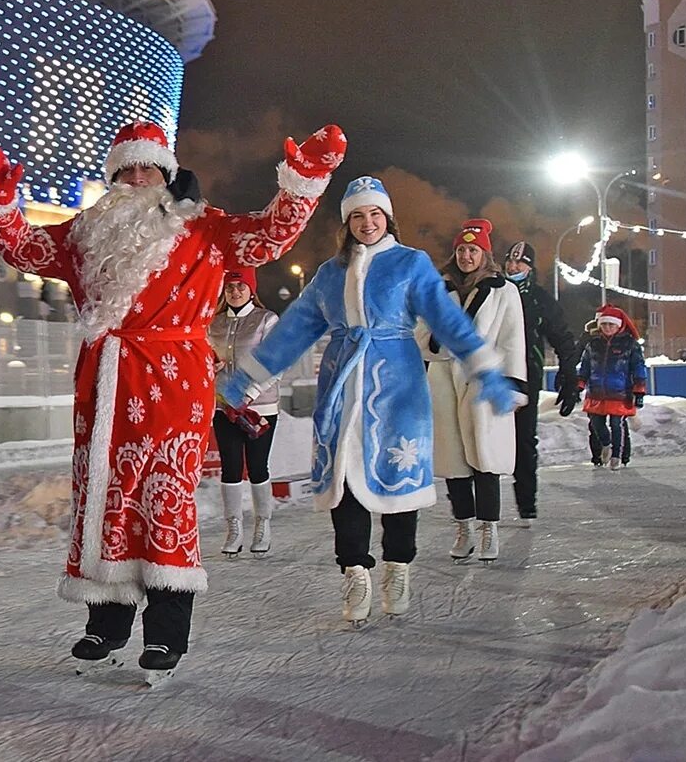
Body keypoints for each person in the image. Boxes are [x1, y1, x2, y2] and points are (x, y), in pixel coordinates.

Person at [0, 120, 345, 682]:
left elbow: (270, 236)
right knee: (105, 494)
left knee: (164, 497)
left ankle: (167, 633)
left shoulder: (205, 227)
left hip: (173, 381)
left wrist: (304, 180)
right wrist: (1, 204)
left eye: (147, 166)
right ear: (113, 175)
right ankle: (107, 620)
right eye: (126, 168)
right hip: (103, 385)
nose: (136, 175)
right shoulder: (85, 231)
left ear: (166, 174)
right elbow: (27, 250)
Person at [219, 177, 520, 627]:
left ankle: (398, 567)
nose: (367, 223)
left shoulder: (411, 264)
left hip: (398, 385)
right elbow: (296, 329)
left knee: (399, 486)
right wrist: (249, 378)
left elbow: (449, 322)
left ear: (387, 218)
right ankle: (355, 571)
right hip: (341, 386)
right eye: (357, 216)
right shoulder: (329, 274)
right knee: (346, 487)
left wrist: (487, 372)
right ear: (347, 223)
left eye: (374, 214)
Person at [416, 220, 526, 566]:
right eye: (461, 250)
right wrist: (437, 343)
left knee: (485, 456)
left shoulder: (503, 290)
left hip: (484, 380)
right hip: (443, 378)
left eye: (473, 250)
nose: (466, 256)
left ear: (484, 253)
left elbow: (511, 339)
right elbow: (420, 334)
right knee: (453, 461)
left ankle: (488, 528)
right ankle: (462, 527)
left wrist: (513, 383)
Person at [504, 240, 579, 524]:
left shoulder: (538, 298)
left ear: (530, 268)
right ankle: (478, 511)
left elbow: (562, 336)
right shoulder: (494, 290)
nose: (513, 267)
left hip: (526, 377)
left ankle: (527, 504)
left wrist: (569, 375)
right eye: (510, 262)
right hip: (490, 377)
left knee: (523, 440)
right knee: (483, 439)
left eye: (519, 263)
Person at [208, 267, 281, 558]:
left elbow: (277, 362)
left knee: (258, 466)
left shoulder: (266, 320)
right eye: (230, 287)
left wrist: (248, 395)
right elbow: (204, 356)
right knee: (230, 466)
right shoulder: (214, 323)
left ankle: (263, 524)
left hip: (259, 407)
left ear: (251, 289)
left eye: (240, 286)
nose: (235, 292)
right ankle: (234, 527)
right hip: (224, 406)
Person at [576, 304, 647, 471]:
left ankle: (617, 455)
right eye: (604, 324)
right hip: (596, 392)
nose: (607, 328)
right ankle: (606, 444)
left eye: (611, 324)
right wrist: (579, 384)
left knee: (617, 424)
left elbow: (638, 367)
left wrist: (639, 391)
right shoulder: (593, 344)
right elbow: (585, 366)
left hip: (620, 393)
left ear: (619, 325)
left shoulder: (630, 344)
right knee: (595, 423)